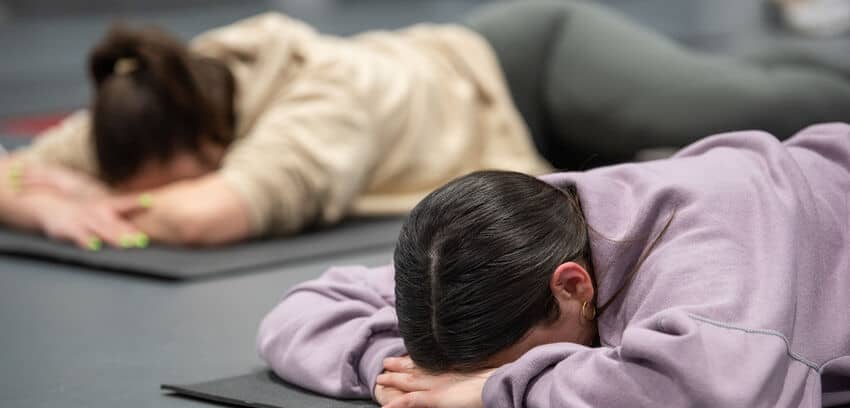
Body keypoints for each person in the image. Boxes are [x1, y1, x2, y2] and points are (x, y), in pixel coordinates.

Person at [3, 0, 850, 249]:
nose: (124, 198)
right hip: (492, 119)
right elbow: (20, 171)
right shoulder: (141, 104)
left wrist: (70, 197)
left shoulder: (319, 100)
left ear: (209, 148)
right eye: (114, 184)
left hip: (534, 68)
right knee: (753, 93)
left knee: (764, 104)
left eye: (162, 183)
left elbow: (209, 214)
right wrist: (48, 199)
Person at [257, 122, 850, 408]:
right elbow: (300, 312)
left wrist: (497, 393)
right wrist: (406, 376)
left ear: (573, 286)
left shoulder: (707, 247)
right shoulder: (504, 241)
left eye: (522, 358)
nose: (464, 388)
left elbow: (714, 400)